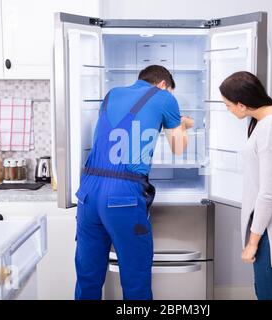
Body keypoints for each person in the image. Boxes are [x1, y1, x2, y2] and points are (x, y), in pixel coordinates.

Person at [74, 65, 194, 300]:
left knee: (87, 279)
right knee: (135, 282)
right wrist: (183, 125)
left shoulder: (112, 94)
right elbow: (179, 148)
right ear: (163, 85)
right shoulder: (164, 98)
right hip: (122, 196)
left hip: (88, 192)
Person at [219, 71, 272, 300]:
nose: (228, 110)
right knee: (269, 292)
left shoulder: (268, 132)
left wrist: (253, 243)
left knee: (267, 294)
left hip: (269, 230)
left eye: (228, 105)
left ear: (242, 104)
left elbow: (268, 194)